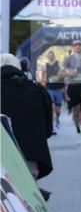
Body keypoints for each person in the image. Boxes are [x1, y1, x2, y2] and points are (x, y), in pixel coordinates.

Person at [1, 54, 54, 182]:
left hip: (2, 160)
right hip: (29, 160)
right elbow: (48, 131)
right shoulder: (39, 91)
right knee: (26, 200)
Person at [41, 51, 65, 134]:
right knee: (52, 107)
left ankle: (57, 119)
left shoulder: (59, 63)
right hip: (49, 88)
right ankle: (53, 126)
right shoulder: (45, 65)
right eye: (49, 56)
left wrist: (57, 77)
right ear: (47, 57)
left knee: (58, 109)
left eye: (52, 55)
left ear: (54, 56)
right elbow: (43, 75)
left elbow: (63, 71)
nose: (50, 57)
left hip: (59, 88)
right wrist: (42, 82)